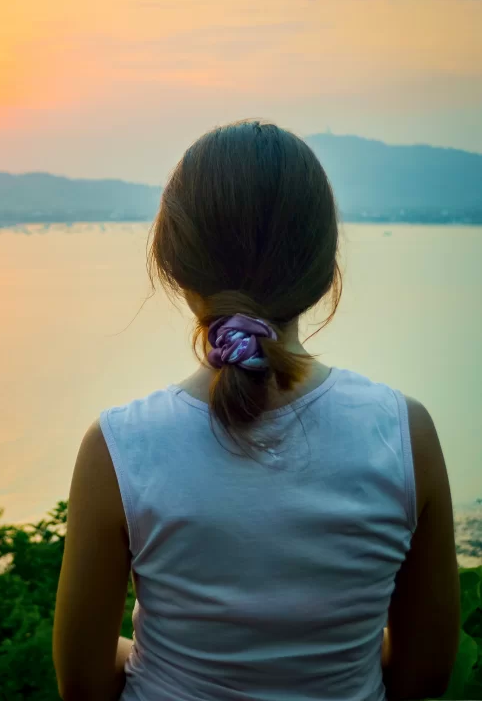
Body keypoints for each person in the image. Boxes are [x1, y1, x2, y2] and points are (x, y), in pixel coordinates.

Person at [53, 121, 460, 701]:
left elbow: (84, 685)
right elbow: (425, 677)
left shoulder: (119, 446)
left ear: (173, 264)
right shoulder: (404, 432)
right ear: (322, 271)